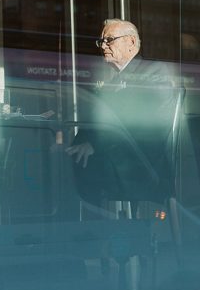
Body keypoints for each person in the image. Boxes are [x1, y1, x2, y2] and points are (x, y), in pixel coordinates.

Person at [65, 19, 179, 210]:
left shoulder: (154, 72)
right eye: (101, 41)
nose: (103, 46)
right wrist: (74, 146)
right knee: (65, 163)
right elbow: (95, 124)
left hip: (140, 164)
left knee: (75, 172)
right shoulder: (111, 81)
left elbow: (147, 128)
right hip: (113, 158)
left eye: (109, 39)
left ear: (131, 42)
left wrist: (94, 146)